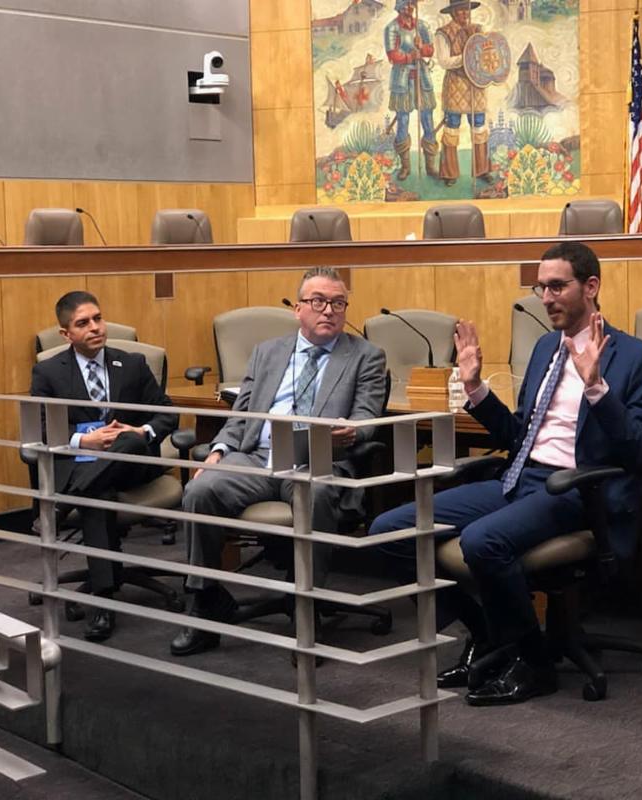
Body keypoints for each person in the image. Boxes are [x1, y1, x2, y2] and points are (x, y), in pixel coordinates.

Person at [369, 242, 642, 705]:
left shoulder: (636, 357)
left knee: (482, 541)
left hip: (577, 491)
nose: (546, 298)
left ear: (591, 286)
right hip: (520, 480)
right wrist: (474, 387)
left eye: (557, 286)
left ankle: (534, 663)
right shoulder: (547, 347)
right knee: (389, 530)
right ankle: (488, 635)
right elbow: (517, 435)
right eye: (540, 287)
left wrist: (597, 389)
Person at [170, 267, 387, 657]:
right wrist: (218, 452)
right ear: (298, 308)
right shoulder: (267, 352)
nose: (329, 310)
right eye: (318, 301)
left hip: (315, 460)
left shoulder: (365, 356)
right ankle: (204, 600)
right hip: (258, 456)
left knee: (315, 493)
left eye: (338, 303)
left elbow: (368, 416)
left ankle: (308, 605)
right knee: (200, 489)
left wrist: (353, 431)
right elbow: (242, 415)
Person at [31, 291, 178, 642]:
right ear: (66, 334)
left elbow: (167, 413)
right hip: (83, 461)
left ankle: (67, 499)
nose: (95, 327)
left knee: (129, 441)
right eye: (83, 323)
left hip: (132, 462)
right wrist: (85, 441)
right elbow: (40, 427)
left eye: (98, 318)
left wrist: (141, 431)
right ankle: (104, 598)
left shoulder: (133, 364)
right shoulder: (48, 372)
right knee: (98, 495)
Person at [435, 0, 489, 186]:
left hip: (476, 85)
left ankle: (482, 170)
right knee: (452, 128)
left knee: (479, 127)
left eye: (467, 10)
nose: (465, 14)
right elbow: (444, 61)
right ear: (452, 13)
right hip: (455, 85)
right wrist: (466, 57)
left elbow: (488, 54)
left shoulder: (478, 30)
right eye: (460, 10)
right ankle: (450, 173)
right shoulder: (443, 33)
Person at [384, 0, 439, 180]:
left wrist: (422, 47)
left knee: (427, 119)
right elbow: (392, 55)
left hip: (422, 77)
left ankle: (430, 166)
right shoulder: (392, 28)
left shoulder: (421, 26)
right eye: (407, 3)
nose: (411, 7)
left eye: (412, 3)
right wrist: (409, 56)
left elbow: (430, 50)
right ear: (400, 6)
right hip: (402, 79)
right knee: (403, 120)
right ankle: (405, 166)